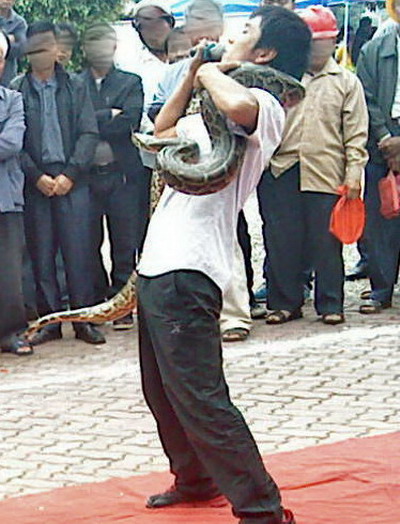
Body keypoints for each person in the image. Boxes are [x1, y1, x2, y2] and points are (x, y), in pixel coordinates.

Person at [136, 6, 311, 524]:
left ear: (266, 54)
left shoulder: (267, 104)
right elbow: (162, 132)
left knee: (200, 396)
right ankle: (195, 479)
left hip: (191, 266)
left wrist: (211, 69)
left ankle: (262, 507)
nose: (232, 35)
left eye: (246, 31)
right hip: (159, 260)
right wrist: (193, 71)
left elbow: (238, 104)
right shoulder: (208, 106)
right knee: (162, 391)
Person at [259, 6, 368, 326]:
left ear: (334, 41)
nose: (318, 49)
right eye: (312, 42)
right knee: (281, 240)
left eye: (324, 41)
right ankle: (284, 303)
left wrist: (353, 173)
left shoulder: (346, 82)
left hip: (326, 171)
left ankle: (330, 303)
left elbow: (356, 133)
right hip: (281, 168)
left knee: (326, 242)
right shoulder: (280, 79)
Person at [11, 21, 105, 346]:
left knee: (79, 253)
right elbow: (15, 142)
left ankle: (83, 321)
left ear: (56, 48)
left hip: (73, 180)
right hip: (36, 183)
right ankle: (49, 322)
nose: (41, 53)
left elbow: (89, 133)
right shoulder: (17, 90)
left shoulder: (76, 85)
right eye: (34, 48)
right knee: (42, 255)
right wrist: (36, 176)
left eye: (47, 46)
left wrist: (71, 174)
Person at [79, 23, 145, 330]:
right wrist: (108, 114)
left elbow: (129, 121)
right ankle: (97, 301)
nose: (100, 49)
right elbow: (74, 126)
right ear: (84, 49)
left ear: (115, 47)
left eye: (106, 43)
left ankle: (122, 305)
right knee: (87, 242)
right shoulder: (75, 84)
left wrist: (91, 122)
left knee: (125, 242)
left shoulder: (130, 82)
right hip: (86, 176)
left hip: (122, 175)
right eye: (94, 43)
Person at [357, 11, 400, 313]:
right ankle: (381, 290)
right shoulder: (373, 50)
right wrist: (386, 137)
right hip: (381, 143)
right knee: (380, 220)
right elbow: (365, 97)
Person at [0, 31, 32, 356]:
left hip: (5, 198)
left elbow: (11, 143)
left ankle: (10, 333)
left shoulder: (12, 100)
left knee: (8, 270)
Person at [0, 0, 26, 86]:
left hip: (7, 79)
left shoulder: (19, 23)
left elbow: (21, 49)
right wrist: (10, 39)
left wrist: (4, 40)